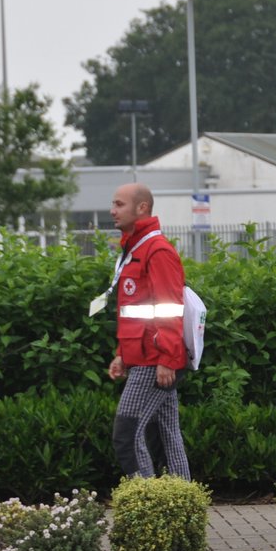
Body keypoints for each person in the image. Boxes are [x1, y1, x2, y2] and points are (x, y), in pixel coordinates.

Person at [104, 183, 191, 480]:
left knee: (127, 434)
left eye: (119, 204)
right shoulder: (136, 248)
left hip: (155, 361)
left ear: (141, 208)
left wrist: (167, 358)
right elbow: (135, 314)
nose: (112, 211)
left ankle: (144, 500)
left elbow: (169, 307)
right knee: (168, 437)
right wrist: (121, 356)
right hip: (144, 358)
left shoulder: (157, 250)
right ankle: (181, 501)